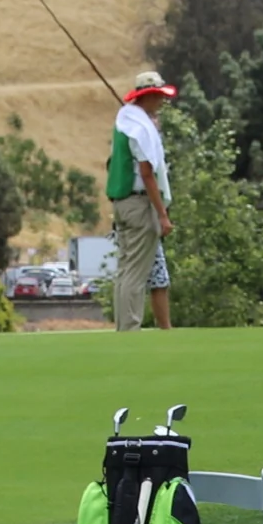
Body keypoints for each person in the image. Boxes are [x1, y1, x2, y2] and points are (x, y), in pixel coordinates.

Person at [108, 71, 174, 333]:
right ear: (149, 96)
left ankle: (123, 328)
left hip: (122, 205)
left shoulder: (127, 120)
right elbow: (147, 173)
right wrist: (162, 214)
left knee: (125, 272)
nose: (161, 102)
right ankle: (130, 331)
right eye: (158, 96)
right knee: (136, 275)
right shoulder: (140, 128)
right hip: (138, 205)